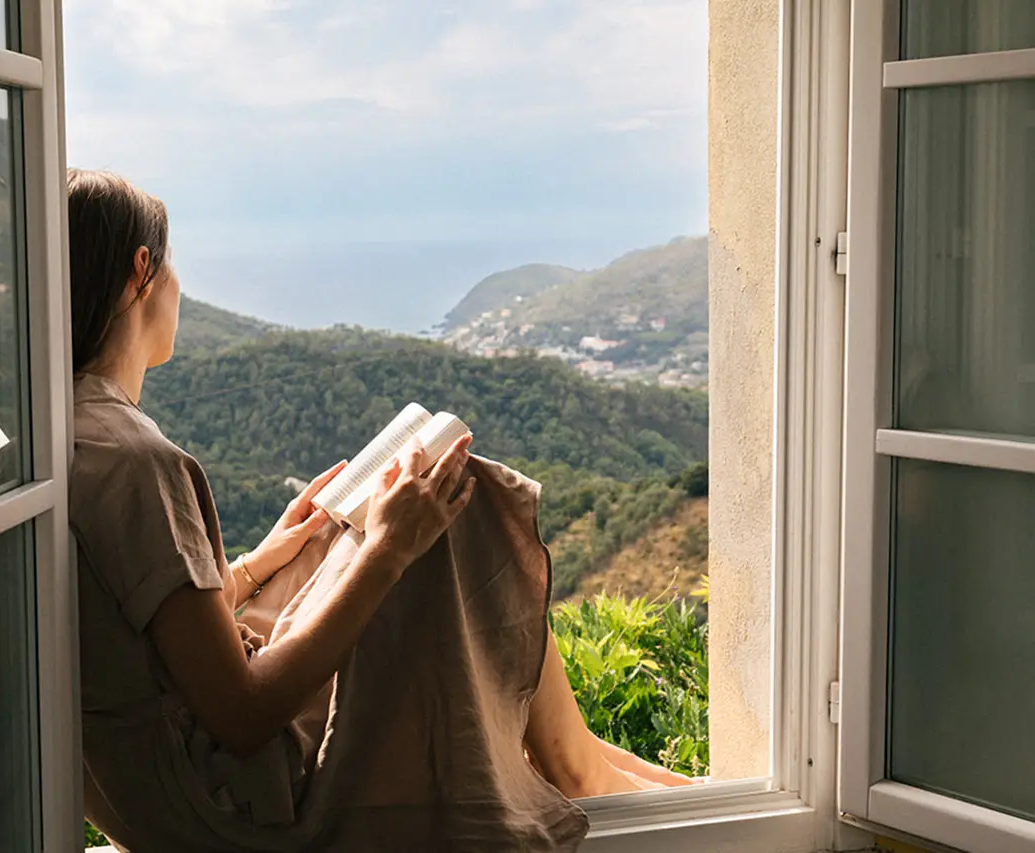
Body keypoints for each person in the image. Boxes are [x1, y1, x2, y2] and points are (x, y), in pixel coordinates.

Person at [68, 170, 695, 852]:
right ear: (142, 272)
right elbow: (244, 716)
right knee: (458, 500)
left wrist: (256, 563)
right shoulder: (139, 463)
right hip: (237, 802)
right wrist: (389, 549)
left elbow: (149, 633)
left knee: (339, 531)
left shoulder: (71, 436)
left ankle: (591, 760)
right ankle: (580, 770)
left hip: (160, 787)